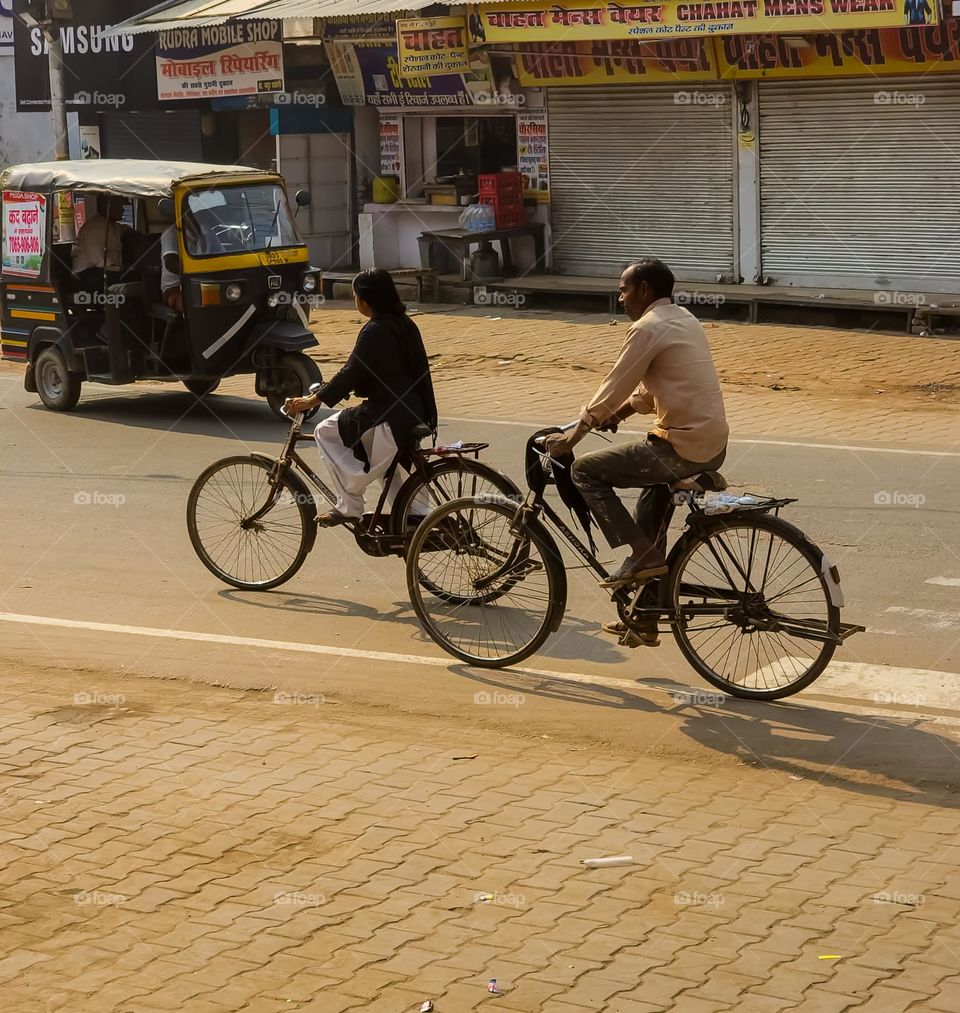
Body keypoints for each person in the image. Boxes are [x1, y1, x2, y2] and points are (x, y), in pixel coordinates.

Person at [545, 257, 728, 591]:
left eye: (623, 290)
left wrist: (572, 438)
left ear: (643, 290)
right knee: (651, 499)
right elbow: (656, 385)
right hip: (712, 445)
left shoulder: (647, 327)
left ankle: (643, 554)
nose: (620, 299)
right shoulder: (684, 318)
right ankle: (645, 607)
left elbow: (615, 384)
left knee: (584, 471)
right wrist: (619, 415)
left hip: (681, 449)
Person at [284, 269, 438, 525]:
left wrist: (312, 401)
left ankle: (349, 505)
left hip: (390, 414)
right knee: (392, 466)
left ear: (365, 301)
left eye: (356, 296)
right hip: (414, 411)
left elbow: (351, 372)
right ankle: (415, 522)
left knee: (325, 431)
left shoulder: (375, 330)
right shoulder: (405, 324)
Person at [71, 194, 133, 293]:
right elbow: (102, 261)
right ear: (108, 206)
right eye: (120, 206)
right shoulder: (93, 229)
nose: (123, 210)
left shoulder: (113, 226)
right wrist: (125, 270)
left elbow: (128, 232)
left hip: (105, 272)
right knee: (134, 276)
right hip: (87, 275)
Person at [159, 223, 182, 312]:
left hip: (201, 282)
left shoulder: (205, 231)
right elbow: (170, 262)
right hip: (175, 287)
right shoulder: (171, 232)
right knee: (196, 306)